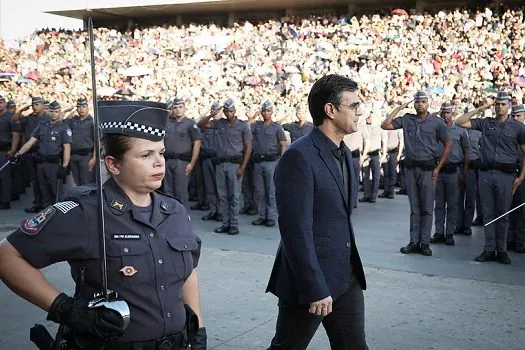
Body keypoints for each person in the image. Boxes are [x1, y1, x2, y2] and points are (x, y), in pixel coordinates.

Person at [0, 100, 207, 349]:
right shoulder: (87, 212)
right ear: (113, 164)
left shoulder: (174, 211)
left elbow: (188, 272)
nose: (159, 162)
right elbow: (7, 256)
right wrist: (64, 308)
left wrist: (198, 331)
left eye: (161, 152)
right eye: (145, 155)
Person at [266, 74, 367, 350]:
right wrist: (314, 287)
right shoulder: (298, 157)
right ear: (330, 110)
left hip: (347, 275)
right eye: (354, 105)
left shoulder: (344, 152)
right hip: (310, 281)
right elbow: (295, 231)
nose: (361, 112)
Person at [455, 92, 525, 264]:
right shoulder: (486, 123)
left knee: (503, 214)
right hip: (486, 174)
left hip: (506, 175)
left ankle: (501, 250)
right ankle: (488, 249)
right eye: (497, 104)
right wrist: (482, 108)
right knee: (488, 213)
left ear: (509, 106)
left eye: (502, 104)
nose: (499, 107)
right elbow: (459, 121)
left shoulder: (518, 128)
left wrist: (521, 177)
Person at [381, 91, 452, 257]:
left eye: (423, 101)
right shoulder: (407, 119)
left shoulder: (437, 122)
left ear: (428, 104)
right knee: (415, 208)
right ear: (414, 104)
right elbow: (385, 125)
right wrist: (398, 108)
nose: (420, 104)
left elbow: (448, 143)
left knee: (427, 208)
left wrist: (438, 168)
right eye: (417, 101)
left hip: (428, 170)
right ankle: (414, 241)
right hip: (411, 170)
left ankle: (425, 243)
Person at [197, 98, 252, 235]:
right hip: (220, 164)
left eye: (231, 111)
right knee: (222, 196)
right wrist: (212, 113)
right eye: (226, 111)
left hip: (235, 164)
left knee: (234, 196)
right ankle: (225, 223)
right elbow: (200, 124)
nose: (229, 113)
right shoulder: (219, 123)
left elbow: (248, 147)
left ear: (235, 111)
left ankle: (234, 224)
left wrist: (243, 167)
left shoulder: (242, 126)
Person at [11, 101, 71, 208]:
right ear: (48, 111)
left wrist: (65, 166)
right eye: (51, 111)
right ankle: (45, 215)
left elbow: (67, 147)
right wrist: (17, 154)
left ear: (60, 112)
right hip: (41, 163)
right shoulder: (42, 126)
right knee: (44, 190)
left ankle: (58, 216)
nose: (53, 114)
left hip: (54, 164)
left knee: (55, 191)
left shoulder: (63, 128)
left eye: (56, 112)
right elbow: (30, 142)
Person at [430, 103, 470, 246]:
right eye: (443, 112)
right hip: (439, 170)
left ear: (452, 113)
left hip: (454, 170)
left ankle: (449, 233)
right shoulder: (437, 128)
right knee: (439, 204)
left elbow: (466, 151)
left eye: (448, 112)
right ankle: (439, 231)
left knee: (452, 204)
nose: (445, 115)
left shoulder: (460, 130)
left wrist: (464, 172)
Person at [250, 100, 287, 227]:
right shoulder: (256, 126)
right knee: (259, 190)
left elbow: (283, 144)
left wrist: (282, 162)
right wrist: (253, 116)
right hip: (258, 162)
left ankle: (271, 216)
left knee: (271, 190)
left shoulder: (277, 127)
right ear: (261, 112)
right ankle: (262, 215)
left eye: (268, 111)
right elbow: (247, 128)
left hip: (271, 161)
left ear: (272, 112)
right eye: (264, 111)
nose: (266, 113)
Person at [163, 98, 201, 209]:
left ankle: (182, 220)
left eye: (180, 107)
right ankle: (170, 219)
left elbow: (197, 143)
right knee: (167, 192)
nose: (178, 110)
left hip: (182, 162)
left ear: (184, 108)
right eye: (175, 107)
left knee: (181, 193)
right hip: (168, 160)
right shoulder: (167, 123)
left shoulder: (190, 124)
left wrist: (192, 163)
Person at [65, 98, 95, 186]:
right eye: (79, 107)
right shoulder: (73, 121)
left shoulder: (92, 122)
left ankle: (87, 200)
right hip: (73, 155)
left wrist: (94, 158)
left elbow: (97, 141)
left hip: (86, 156)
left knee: (86, 182)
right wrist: (67, 111)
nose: (81, 109)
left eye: (83, 106)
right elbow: (59, 121)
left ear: (87, 108)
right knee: (77, 182)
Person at [508, 104, 525, 253]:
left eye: (518, 115)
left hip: (522, 176)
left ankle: (520, 241)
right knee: (510, 208)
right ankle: (510, 239)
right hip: (510, 173)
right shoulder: (511, 132)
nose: (515, 118)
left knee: (521, 210)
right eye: (513, 116)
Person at [0, 94, 21, 209]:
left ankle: (5, 201)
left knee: (5, 177)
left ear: (4, 103)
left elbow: (15, 134)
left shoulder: (10, 117)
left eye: (1, 102)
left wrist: (13, 149)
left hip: (5, 150)